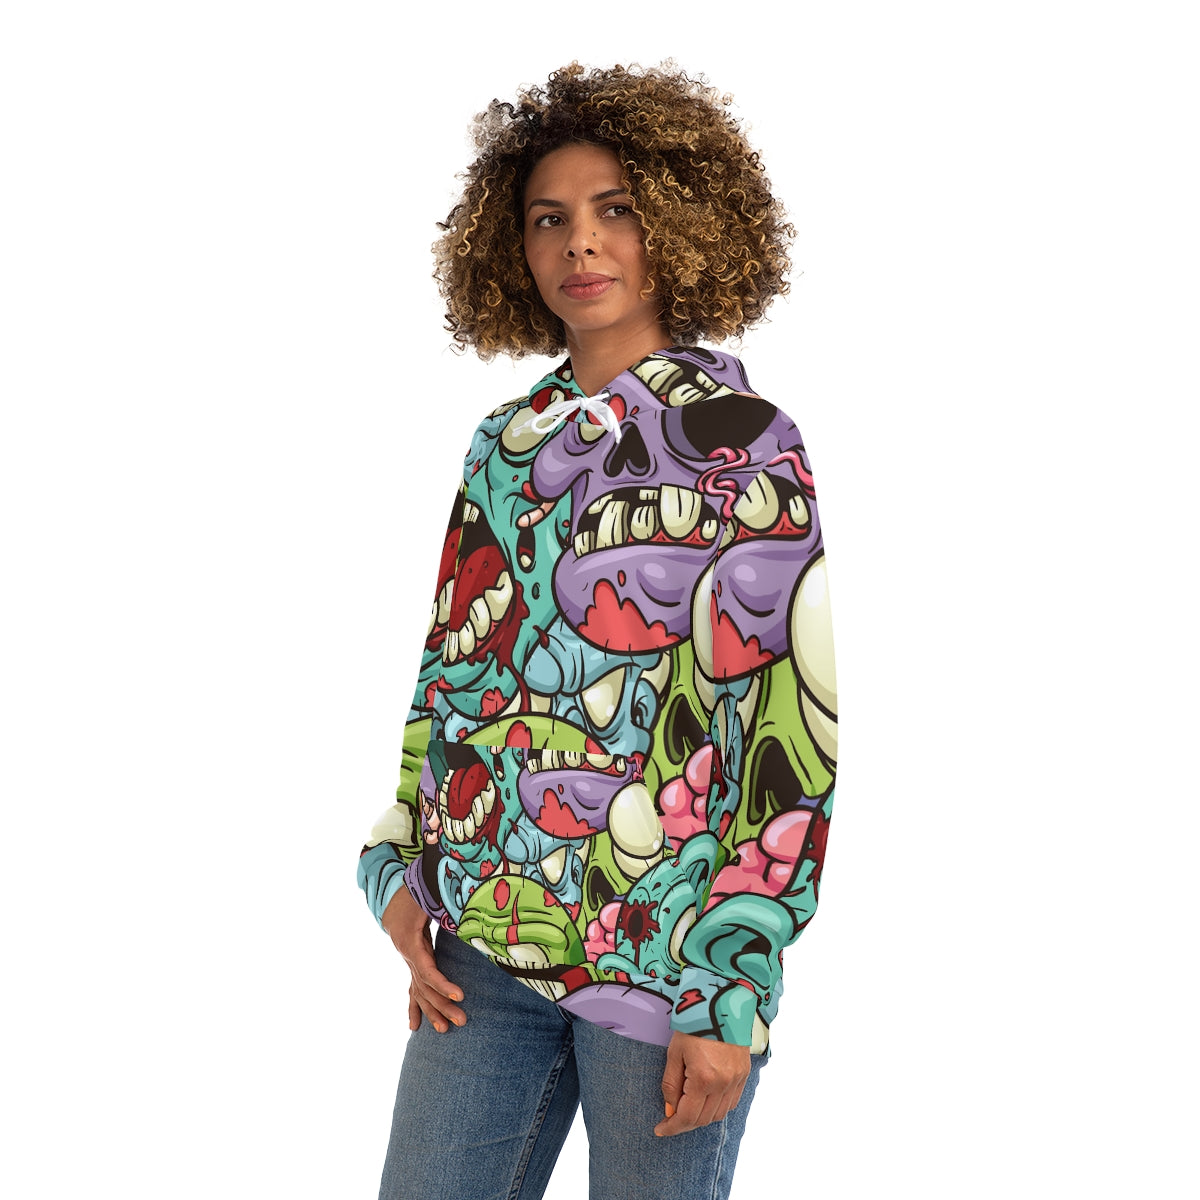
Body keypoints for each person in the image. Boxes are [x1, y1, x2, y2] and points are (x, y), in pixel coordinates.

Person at [357, 62, 838, 1200]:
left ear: (676, 221)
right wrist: (396, 868)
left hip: (664, 969)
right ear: (511, 249)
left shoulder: (747, 442)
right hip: (483, 948)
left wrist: (732, 989)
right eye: (548, 218)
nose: (581, 241)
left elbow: (790, 734)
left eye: (614, 208)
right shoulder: (503, 444)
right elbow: (452, 675)